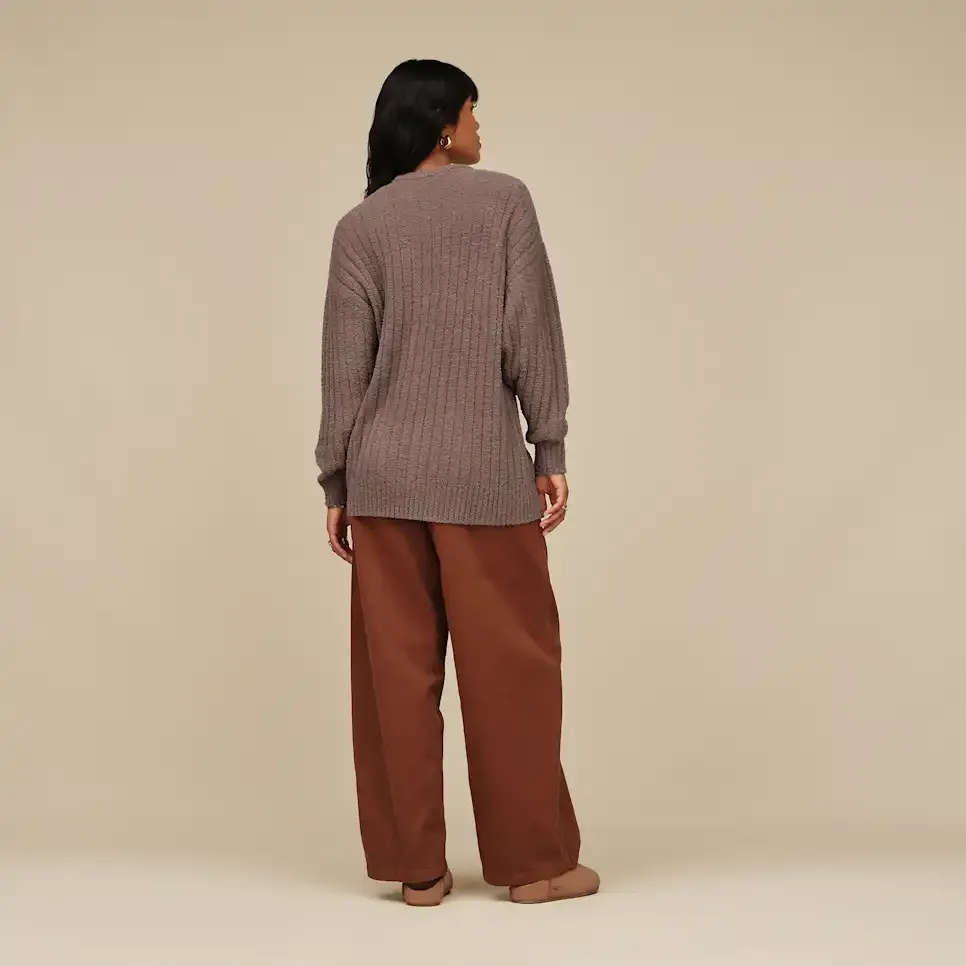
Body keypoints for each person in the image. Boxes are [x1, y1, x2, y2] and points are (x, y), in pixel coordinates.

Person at [314, 59, 598, 907]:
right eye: (474, 111)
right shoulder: (504, 202)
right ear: (443, 122)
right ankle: (534, 866)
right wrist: (548, 447)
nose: (481, 127)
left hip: (383, 482)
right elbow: (531, 334)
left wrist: (337, 481)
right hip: (481, 476)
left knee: (396, 682)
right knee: (513, 671)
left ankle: (418, 872)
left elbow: (343, 370)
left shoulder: (360, 227)